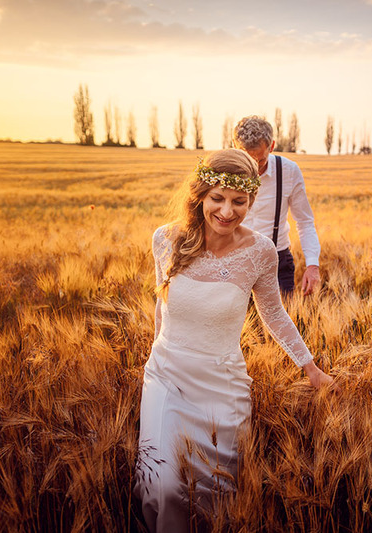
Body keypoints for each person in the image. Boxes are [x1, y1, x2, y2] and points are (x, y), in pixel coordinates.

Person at [134, 148, 334, 532]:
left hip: (222, 386)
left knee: (216, 493)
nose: (227, 211)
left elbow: (273, 314)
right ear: (201, 197)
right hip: (166, 377)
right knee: (164, 486)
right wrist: (154, 356)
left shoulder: (259, 252)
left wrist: (310, 367)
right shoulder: (165, 240)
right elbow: (162, 304)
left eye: (239, 201)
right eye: (218, 199)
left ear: (250, 200)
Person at [233, 116, 321, 296]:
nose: (254, 170)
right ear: (235, 148)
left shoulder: (288, 171)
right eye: (247, 161)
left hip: (277, 261)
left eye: (260, 161)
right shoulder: (223, 170)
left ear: (271, 147)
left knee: (281, 321)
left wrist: (312, 264)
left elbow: (304, 221)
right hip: (232, 260)